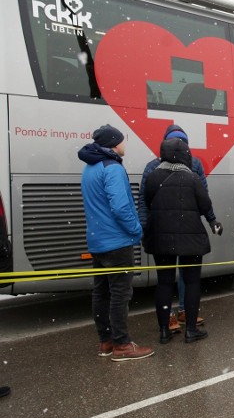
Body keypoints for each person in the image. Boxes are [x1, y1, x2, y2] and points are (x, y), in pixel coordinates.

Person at [78, 124, 153, 361]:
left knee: (101, 292)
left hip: (98, 240)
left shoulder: (90, 168)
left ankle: (106, 341)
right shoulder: (112, 169)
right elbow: (120, 207)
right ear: (114, 144)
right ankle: (122, 345)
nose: (124, 144)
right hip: (116, 242)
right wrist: (136, 229)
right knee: (120, 293)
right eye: (122, 140)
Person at [138, 125, 221, 333]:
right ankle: (191, 330)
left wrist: (145, 228)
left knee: (164, 283)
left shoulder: (152, 171)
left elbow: (145, 202)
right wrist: (212, 221)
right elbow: (205, 203)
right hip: (190, 236)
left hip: (161, 236)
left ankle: (164, 331)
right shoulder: (193, 172)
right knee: (192, 282)